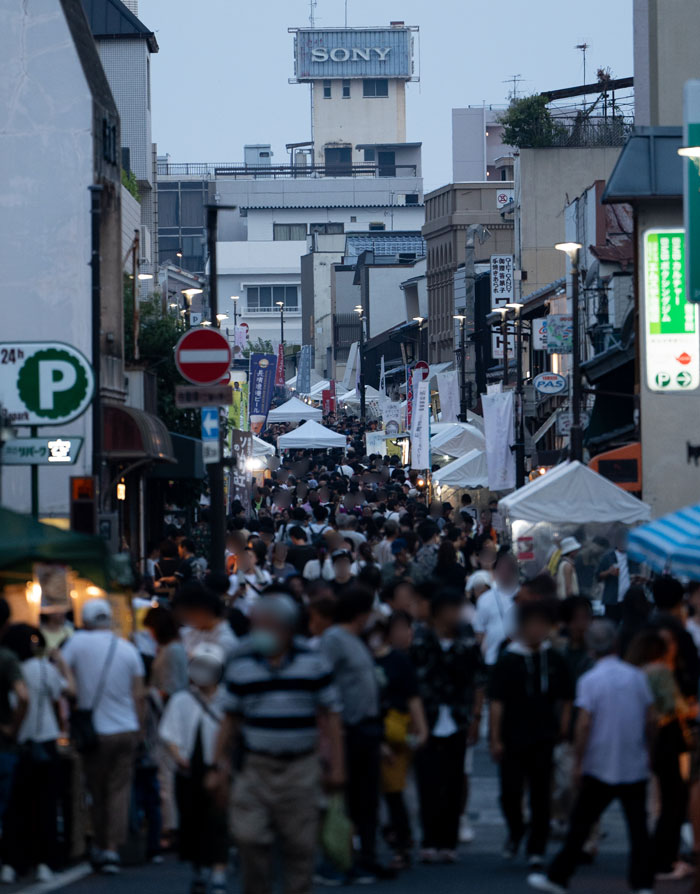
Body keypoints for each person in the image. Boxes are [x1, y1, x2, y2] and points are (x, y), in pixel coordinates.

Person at [210, 594, 345, 894]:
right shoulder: (242, 661)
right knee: (248, 836)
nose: (259, 631)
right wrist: (217, 764)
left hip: (300, 766)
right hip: (256, 766)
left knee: (300, 846)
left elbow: (331, 716)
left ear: (286, 628)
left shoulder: (313, 663)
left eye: (265, 626)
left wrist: (337, 766)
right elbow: (230, 718)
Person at [528, 620, 655, 894]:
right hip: (633, 761)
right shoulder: (637, 677)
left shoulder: (589, 680)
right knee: (638, 828)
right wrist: (649, 750)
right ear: (616, 644)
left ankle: (559, 876)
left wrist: (579, 760)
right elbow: (650, 719)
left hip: (599, 762)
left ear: (590, 648)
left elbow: (583, 723)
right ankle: (643, 883)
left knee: (580, 824)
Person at [489, 600, 573, 869]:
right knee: (510, 793)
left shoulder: (554, 658)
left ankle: (537, 846)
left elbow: (567, 695)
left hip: (544, 735)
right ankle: (516, 830)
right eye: (533, 624)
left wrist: (563, 723)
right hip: (512, 736)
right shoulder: (508, 660)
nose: (538, 630)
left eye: (543, 624)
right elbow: (497, 702)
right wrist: (495, 737)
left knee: (540, 794)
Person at [63, 598, 145, 874]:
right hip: (126, 728)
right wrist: (140, 728)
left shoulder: (76, 644)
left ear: (85, 621)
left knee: (96, 790)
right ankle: (112, 849)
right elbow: (139, 694)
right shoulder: (127, 648)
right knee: (120, 790)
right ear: (109, 619)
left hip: (95, 732)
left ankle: (100, 844)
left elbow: (63, 678)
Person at [320, 586, 391, 882]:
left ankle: (367, 857)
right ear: (361, 613)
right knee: (348, 799)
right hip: (348, 729)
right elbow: (323, 686)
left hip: (367, 728)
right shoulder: (334, 640)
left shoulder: (356, 640)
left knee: (367, 799)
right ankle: (341, 860)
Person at [411, 589, 485, 864]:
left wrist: (476, 717)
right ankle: (429, 839)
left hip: (458, 717)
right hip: (426, 718)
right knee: (427, 781)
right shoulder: (420, 639)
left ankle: (448, 841)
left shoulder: (466, 638)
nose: (456, 615)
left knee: (453, 781)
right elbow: (412, 684)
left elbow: (479, 680)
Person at [0, 625, 72, 883]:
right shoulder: (44, 669)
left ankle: (12, 861)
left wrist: (12, 729)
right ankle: (45, 861)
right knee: (47, 805)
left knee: (15, 807)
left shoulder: (10, 669)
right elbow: (70, 690)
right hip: (46, 741)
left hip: (17, 743)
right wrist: (62, 663)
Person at [159, 643, 229, 894]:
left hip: (219, 770)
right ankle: (200, 869)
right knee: (193, 821)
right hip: (189, 771)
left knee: (219, 821)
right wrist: (180, 758)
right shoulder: (181, 699)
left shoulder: (228, 699)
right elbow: (168, 734)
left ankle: (219, 872)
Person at [627, 627, 696, 880]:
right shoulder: (660, 672)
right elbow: (673, 706)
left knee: (666, 802)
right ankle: (664, 860)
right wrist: (691, 708)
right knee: (673, 803)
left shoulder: (637, 671)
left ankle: (660, 857)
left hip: (652, 744)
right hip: (668, 742)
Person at [371, 612, 428, 869]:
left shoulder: (399, 661)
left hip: (395, 730)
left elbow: (412, 696)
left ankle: (401, 843)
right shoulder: (362, 660)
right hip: (369, 730)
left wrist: (420, 728)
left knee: (395, 791)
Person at [473, 550, 519, 667]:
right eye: (500, 569)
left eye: (507, 569)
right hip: (492, 659)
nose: (504, 573)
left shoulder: (526, 596)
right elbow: (479, 632)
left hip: (520, 660)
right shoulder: (484, 599)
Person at [175, 583, 238, 660]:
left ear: (203, 611)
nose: (187, 620)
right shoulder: (186, 632)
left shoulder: (226, 641)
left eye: (188, 615)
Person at [596, 528, 640, 622]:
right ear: (617, 541)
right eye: (621, 540)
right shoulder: (608, 557)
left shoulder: (632, 557)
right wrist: (608, 572)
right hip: (612, 600)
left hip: (629, 600)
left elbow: (636, 574)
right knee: (612, 625)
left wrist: (636, 579)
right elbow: (598, 576)